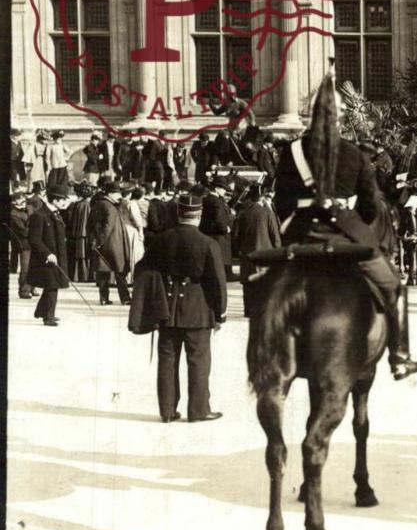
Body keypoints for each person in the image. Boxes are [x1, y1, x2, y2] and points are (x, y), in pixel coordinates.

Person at [272, 71, 417, 380]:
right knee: (395, 286)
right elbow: (369, 208)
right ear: (340, 116)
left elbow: (281, 202)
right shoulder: (355, 154)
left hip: (301, 233)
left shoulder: (291, 152)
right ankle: (400, 356)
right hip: (343, 234)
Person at [132, 191, 227, 422]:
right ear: (199, 215)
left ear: (178, 212)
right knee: (198, 361)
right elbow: (217, 282)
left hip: (167, 306)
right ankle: (199, 410)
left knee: (167, 359)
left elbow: (142, 269)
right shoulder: (208, 243)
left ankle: (167, 411)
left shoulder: (161, 239)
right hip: (199, 308)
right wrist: (220, 313)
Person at [231, 183, 281, 318]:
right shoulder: (267, 213)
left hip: (247, 256)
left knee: (248, 286)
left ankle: (248, 311)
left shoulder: (242, 213)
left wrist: (239, 251)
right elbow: (274, 235)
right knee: (264, 285)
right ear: (262, 197)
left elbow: (235, 237)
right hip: (265, 256)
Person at [28, 184, 72, 326]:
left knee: (52, 285)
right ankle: (48, 317)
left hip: (58, 255)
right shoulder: (39, 215)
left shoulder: (56, 213)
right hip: (46, 259)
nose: (65, 202)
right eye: (62, 199)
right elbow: (34, 239)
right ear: (55, 200)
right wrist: (47, 254)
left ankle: (41, 311)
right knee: (52, 285)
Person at [88, 180, 132, 305]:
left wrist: (95, 241)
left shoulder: (99, 204)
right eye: (118, 193)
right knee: (120, 272)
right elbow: (107, 227)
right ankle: (125, 298)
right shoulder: (109, 207)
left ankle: (103, 298)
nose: (120, 196)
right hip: (113, 244)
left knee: (103, 272)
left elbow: (92, 225)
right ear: (111, 194)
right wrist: (100, 242)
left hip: (102, 244)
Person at [10, 191, 33, 298]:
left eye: (23, 198)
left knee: (36, 266)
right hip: (24, 244)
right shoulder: (14, 214)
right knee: (26, 267)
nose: (23, 201)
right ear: (14, 202)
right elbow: (24, 231)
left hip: (34, 242)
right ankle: (24, 290)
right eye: (19, 199)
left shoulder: (30, 208)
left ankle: (32, 287)